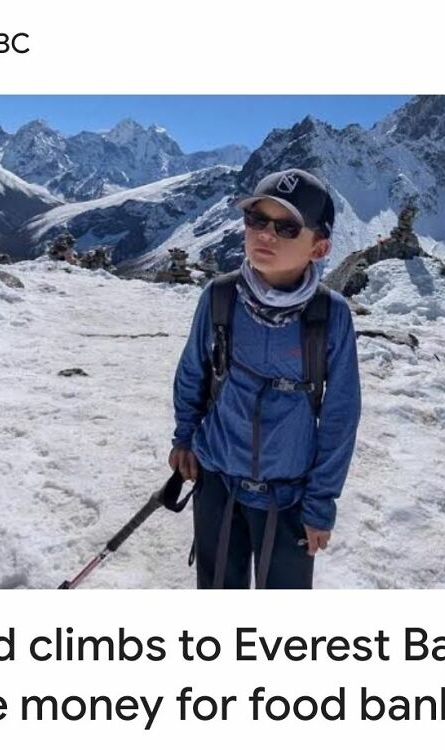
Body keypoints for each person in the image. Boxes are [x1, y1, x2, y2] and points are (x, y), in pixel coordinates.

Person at [169, 168, 361, 589]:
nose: (265, 235)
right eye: (256, 220)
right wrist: (184, 439)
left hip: (290, 497)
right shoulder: (220, 296)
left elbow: (340, 415)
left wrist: (320, 502)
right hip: (216, 483)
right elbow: (192, 373)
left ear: (319, 247)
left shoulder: (330, 316)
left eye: (286, 227)